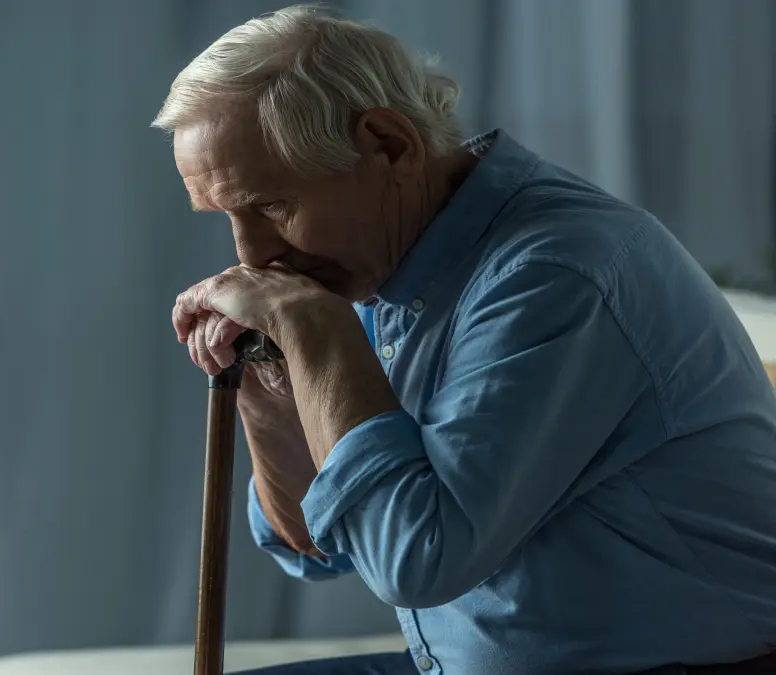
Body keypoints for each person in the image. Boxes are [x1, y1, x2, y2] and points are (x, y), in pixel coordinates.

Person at [154, 6, 776, 675]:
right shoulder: (380, 262)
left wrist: (316, 331)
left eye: (272, 206)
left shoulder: (554, 272)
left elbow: (418, 560)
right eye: (228, 216)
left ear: (389, 144)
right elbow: (314, 543)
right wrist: (264, 388)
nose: (252, 254)